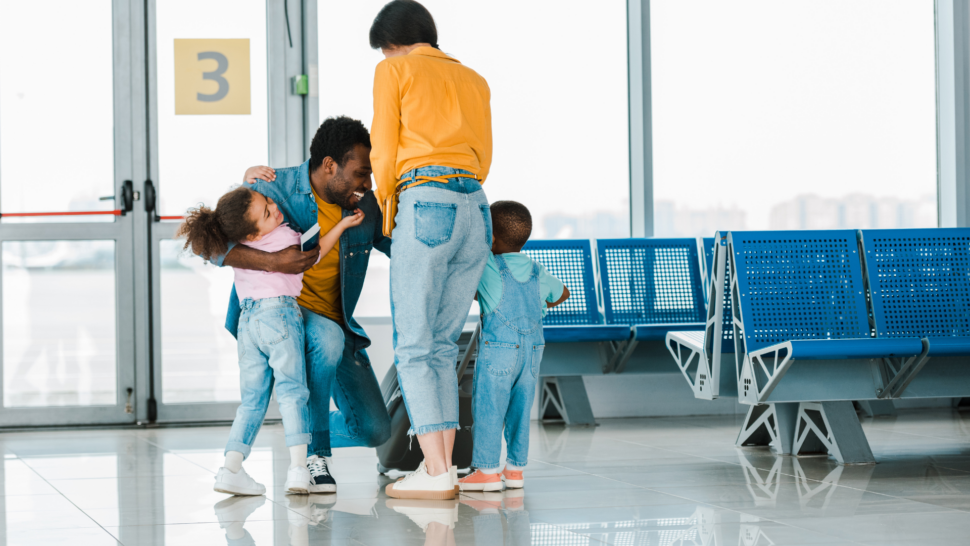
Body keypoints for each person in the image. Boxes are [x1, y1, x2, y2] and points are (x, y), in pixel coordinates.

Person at [213, 116, 392, 494]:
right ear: (330, 166)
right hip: (281, 316)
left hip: (337, 323)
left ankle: (305, 429)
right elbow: (210, 245)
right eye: (361, 173)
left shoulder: (366, 206)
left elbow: (403, 249)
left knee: (375, 429)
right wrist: (275, 262)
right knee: (326, 339)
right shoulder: (273, 189)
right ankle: (314, 456)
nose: (368, 184)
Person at [369, 0, 494, 501]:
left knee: (415, 347)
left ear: (394, 42)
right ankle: (438, 467)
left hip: (425, 203)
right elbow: (484, 154)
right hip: (476, 208)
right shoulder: (474, 79)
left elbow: (383, 146)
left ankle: (437, 472)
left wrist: (386, 209)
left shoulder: (393, 69)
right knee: (442, 346)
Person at [179, 185, 363, 495]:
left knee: (252, 402)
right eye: (266, 212)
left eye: (268, 201)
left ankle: (230, 469)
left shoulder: (239, 243)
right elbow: (315, 254)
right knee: (292, 392)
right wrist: (342, 225)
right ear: (250, 236)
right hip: (279, 316)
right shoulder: (288, 239)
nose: (275, 208)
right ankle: (298, 470)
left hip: (248, 323)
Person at [457, 201, 569, 493]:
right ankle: (515, 471)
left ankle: (487, 472)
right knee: (521, 410)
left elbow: (464, 288)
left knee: (489, 408)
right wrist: (541, 306)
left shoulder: (488, 265)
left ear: (491, 238)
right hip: (533, 351)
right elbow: (562, 293)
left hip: (499, 351)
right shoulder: (535, 269)